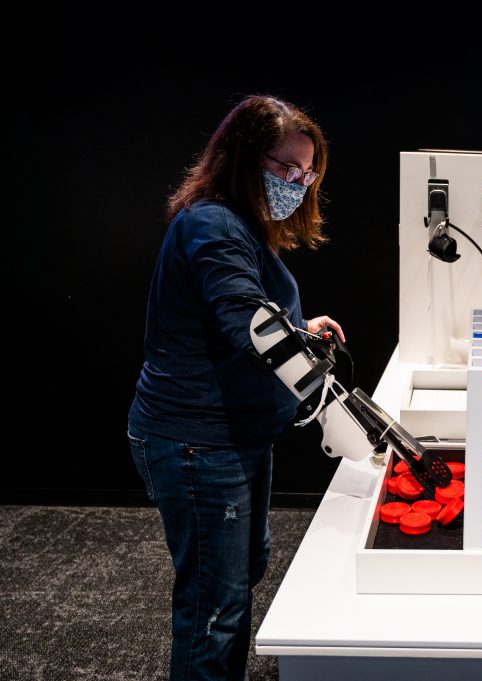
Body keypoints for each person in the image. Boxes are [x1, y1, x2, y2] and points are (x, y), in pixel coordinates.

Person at [127, 94, 344, 681]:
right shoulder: (213, 224)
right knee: (213, 606)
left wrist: (299, 330)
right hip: (198, 439)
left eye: (307, 172)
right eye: (285, 169)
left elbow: (247, 317)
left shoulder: (237, 223)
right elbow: (248, 326)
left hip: (234, 434)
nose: (298, 183)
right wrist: (334, 404)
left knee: (239, 575)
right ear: (244, 158)